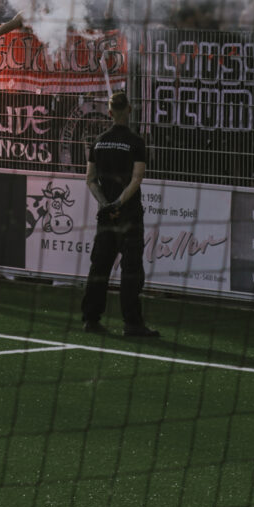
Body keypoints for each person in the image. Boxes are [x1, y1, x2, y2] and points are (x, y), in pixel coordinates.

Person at [81, 91, 158, 339]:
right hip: (129, 214)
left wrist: (106, 204)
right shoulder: (136, 142)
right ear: (130, 110)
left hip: (106, 216)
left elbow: (90, 179)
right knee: (131, 270)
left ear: (110, 112)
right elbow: (137, 179)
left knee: (99, 267)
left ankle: (91, 319)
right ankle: (132, 324)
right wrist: (119, 203)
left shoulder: (98, 141)